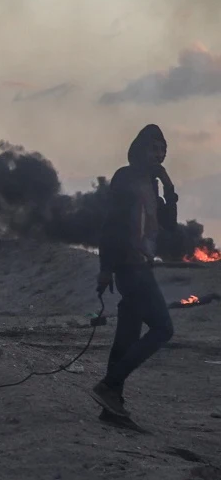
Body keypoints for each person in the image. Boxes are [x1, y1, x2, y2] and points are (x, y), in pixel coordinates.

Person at [91, 124, 176, 420]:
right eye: (155, 147)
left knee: (126, 337)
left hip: (142, 264)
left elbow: (170, 227)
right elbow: (111, 225)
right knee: (164, 328)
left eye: (163, 148)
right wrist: (106, 269)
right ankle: (109, 385)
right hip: (130, 265)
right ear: (140, 148)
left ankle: (112, 409)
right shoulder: (126, 178)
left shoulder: (152, 185)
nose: (160, 153)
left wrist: (169, 189)